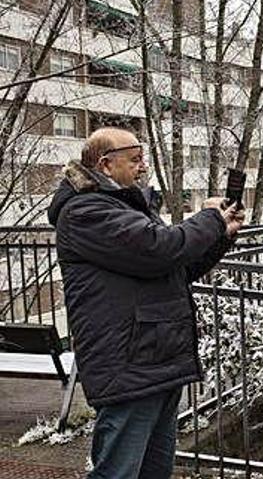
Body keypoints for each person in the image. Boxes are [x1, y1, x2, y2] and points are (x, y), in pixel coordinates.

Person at [47, 127, 244, 478]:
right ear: (106, 165)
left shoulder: (125, 205)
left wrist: (220, 236)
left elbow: (175, 268)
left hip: (155, 359)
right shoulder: (85, 212)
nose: (143, 167)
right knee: (118, 472)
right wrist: (210, 218)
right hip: (128, 364)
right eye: (135, 160)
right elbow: (158, 248)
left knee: (154, 471)